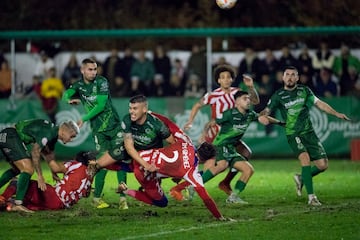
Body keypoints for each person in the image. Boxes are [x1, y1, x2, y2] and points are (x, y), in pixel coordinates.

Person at [89, 112, 228, 220]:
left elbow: (169, 124)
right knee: (161, 202)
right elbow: (206, 198)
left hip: (141, 155)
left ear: (200, 146)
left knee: (127, 166)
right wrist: (219, 216)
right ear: (206, 160)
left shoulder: (187, 142)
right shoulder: (192, 172)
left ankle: (93, 163)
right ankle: (126, 191)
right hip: (145, 173)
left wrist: (151, 114)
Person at [260, 66, 350, 206]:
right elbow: (266, 110)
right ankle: (311, 197)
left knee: (322, 165)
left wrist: (336, 113)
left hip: (309, 132)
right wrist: (263, 116)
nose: (290, 77)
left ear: (297, 78)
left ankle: (301, 178)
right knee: (305, 158)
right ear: (283, 78)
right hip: (293, 133)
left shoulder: (304, 91)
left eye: (293, 75)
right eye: (287, 74)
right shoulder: (278, 95)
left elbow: (320, 104)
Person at [179, 64, 259, 196]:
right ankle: (188, 185)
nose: (226, 79)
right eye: (223, 77)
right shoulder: (213, 95)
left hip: (231, 135)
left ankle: (224, 183)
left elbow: (255, 101)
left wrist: (250, 87)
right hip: (216, 135)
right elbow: (197, 105)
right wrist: (190, 121)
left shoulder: (237, 93)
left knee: (244, 153)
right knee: (214, 167)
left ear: (232, 79)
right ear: (218, 80)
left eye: (228, 77)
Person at [62, 58, 129, 210]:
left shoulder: (102, 82)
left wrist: (83, 118)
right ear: (82, 70)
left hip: (114, 126)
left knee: (121, 159)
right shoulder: (79, 85)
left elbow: (101, 105)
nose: (93, 72)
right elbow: (67, 93)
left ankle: (123, 198)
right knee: (102, 163)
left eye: (95, 69)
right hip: (98, 130)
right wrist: (68, 99)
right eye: (90, 69)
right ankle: (96, 198)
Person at [0, 119, 80, 213]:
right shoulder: (50, 132)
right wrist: (40, 176)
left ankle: (15, 202)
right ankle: (18, 204)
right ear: (64, 131)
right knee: (28, 169)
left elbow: (47, 153)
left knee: (17, 169)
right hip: (11, 136)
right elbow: (35, 151)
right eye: (72, 136)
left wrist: (53, 172)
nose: (71, 140)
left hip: (6, 135)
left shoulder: (53, 133)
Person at [0, 151, 94, 212]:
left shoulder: (77, 165)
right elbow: (86, 194)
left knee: (17, 182)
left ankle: (2, 198)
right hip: (61, 206)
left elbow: (55, 167)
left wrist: (45, 153)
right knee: (23, 199)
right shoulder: (90, 176)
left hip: (54, 197)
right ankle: (9, 206)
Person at [121, 95, 176, 172]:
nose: (131, 112)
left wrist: (173, 166)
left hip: (154, 156)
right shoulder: (127, 120)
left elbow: (173, 143)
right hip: (137, 154)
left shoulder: (158, 125)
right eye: (130, 108)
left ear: (144, 109)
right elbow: (129, 147)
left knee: (139, 172)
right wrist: (146, 165)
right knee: (116, 152)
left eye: (135, 108)